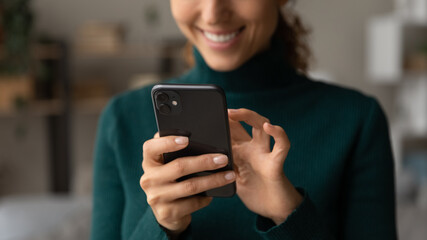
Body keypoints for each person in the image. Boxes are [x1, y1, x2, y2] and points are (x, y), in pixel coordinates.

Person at [91, 0, 397, 239]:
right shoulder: (121, 119)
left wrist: (288, 214)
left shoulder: (356, 120)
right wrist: (162, 226)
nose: (213, 14)